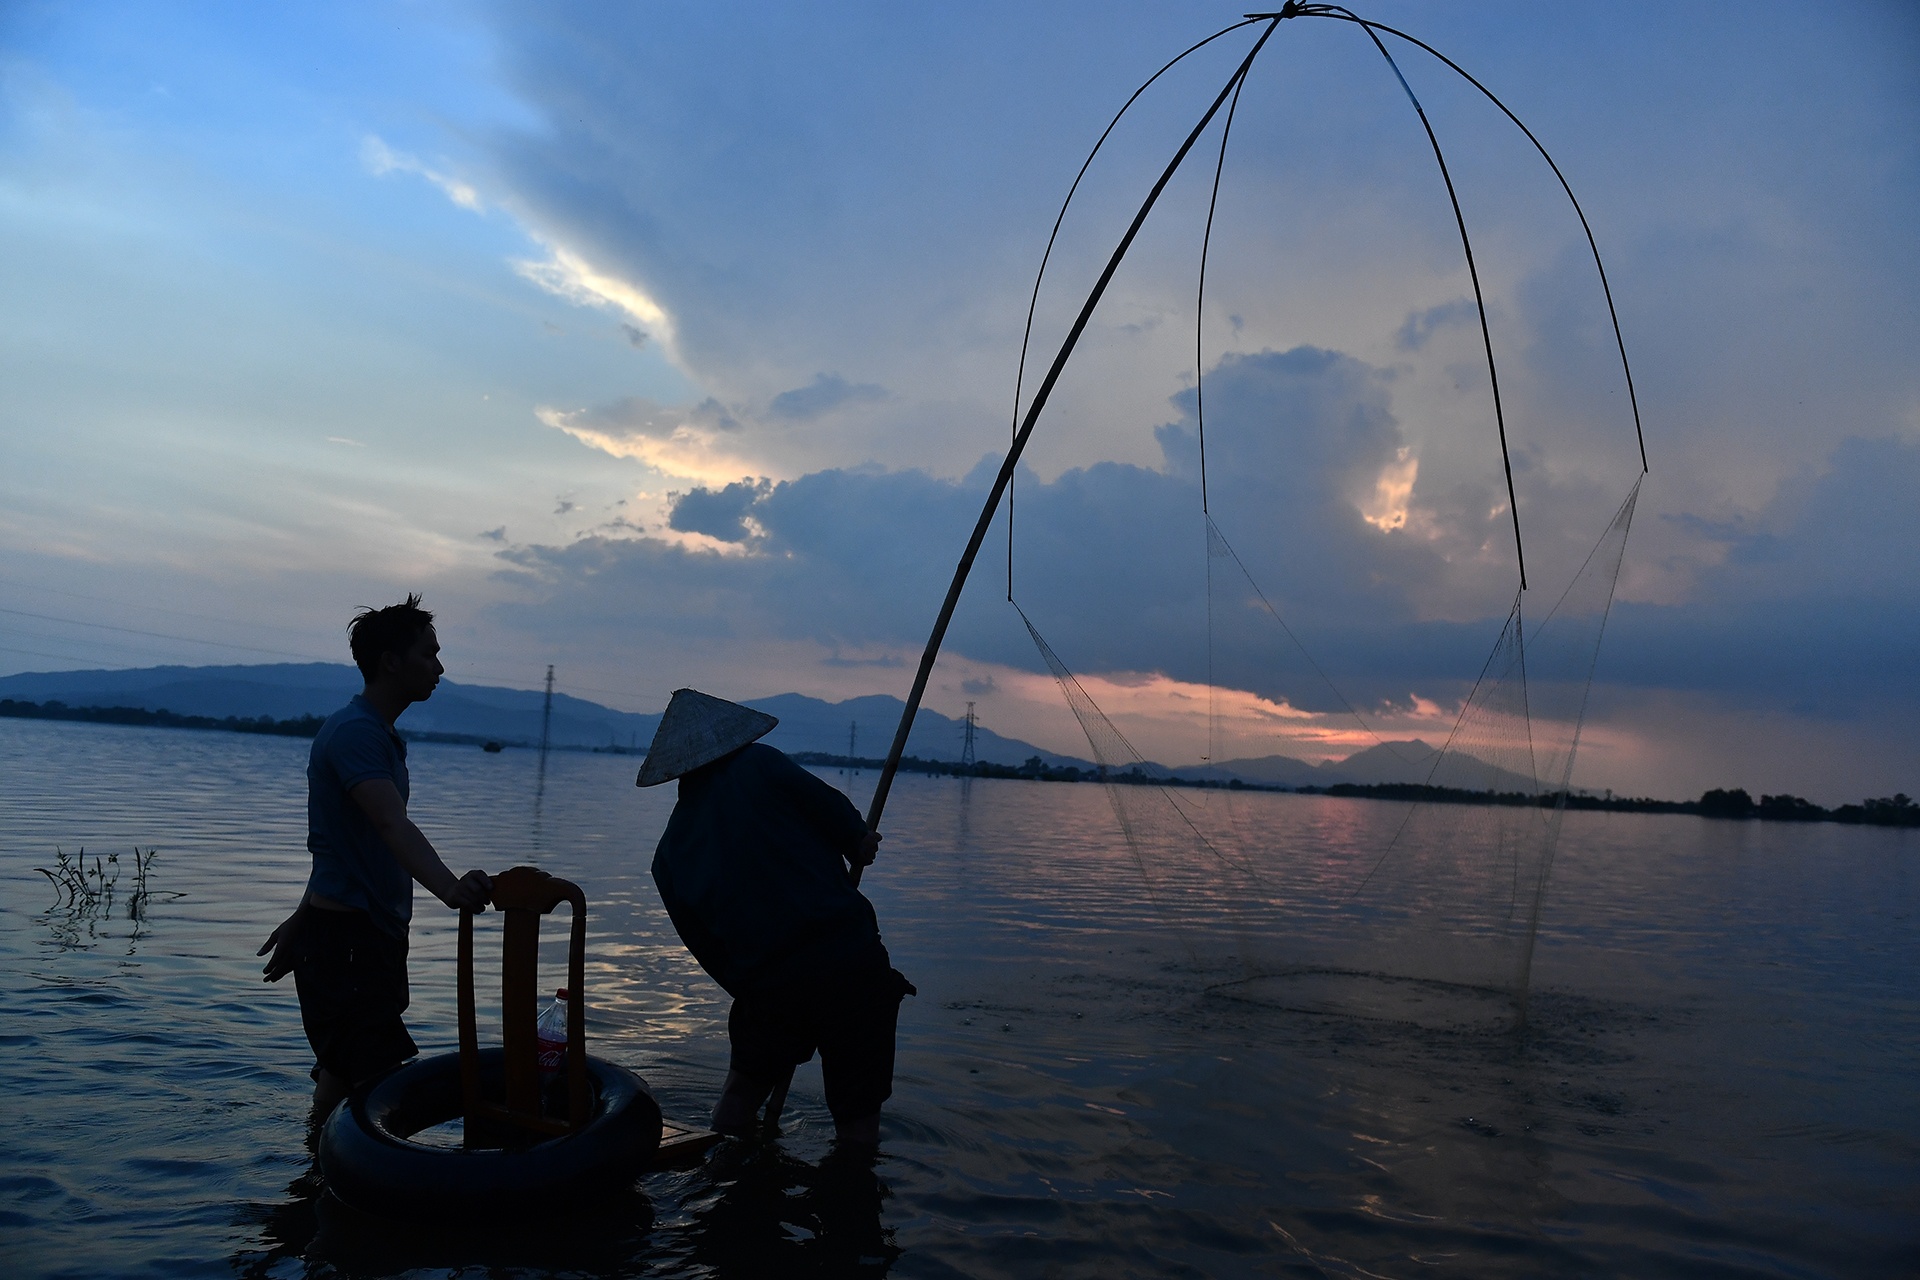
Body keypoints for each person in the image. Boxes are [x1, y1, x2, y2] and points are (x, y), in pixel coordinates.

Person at [640, 688, 914, 1147]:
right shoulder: (759, 764)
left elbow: (708, 951)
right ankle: (853, 1201)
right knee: (857, 1116)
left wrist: (754, 987)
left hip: (764, 984)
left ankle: (728, 1166)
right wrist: (858, 840)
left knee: (739, 1096)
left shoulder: (667, 857)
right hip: (845, 960)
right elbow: (831, 811)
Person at [258, 594, 492, 1110]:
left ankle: (314, 1180)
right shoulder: (356, 734)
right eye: (429, 654)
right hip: (348, 944)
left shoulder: (375, 734)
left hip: (359, 934)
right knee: (375, 1081)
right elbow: (391, 824)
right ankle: (333, 1181)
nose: (439, 666)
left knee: (344, 1078)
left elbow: (340, 847)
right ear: (391, 661)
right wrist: (451, 888)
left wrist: (302, 918)